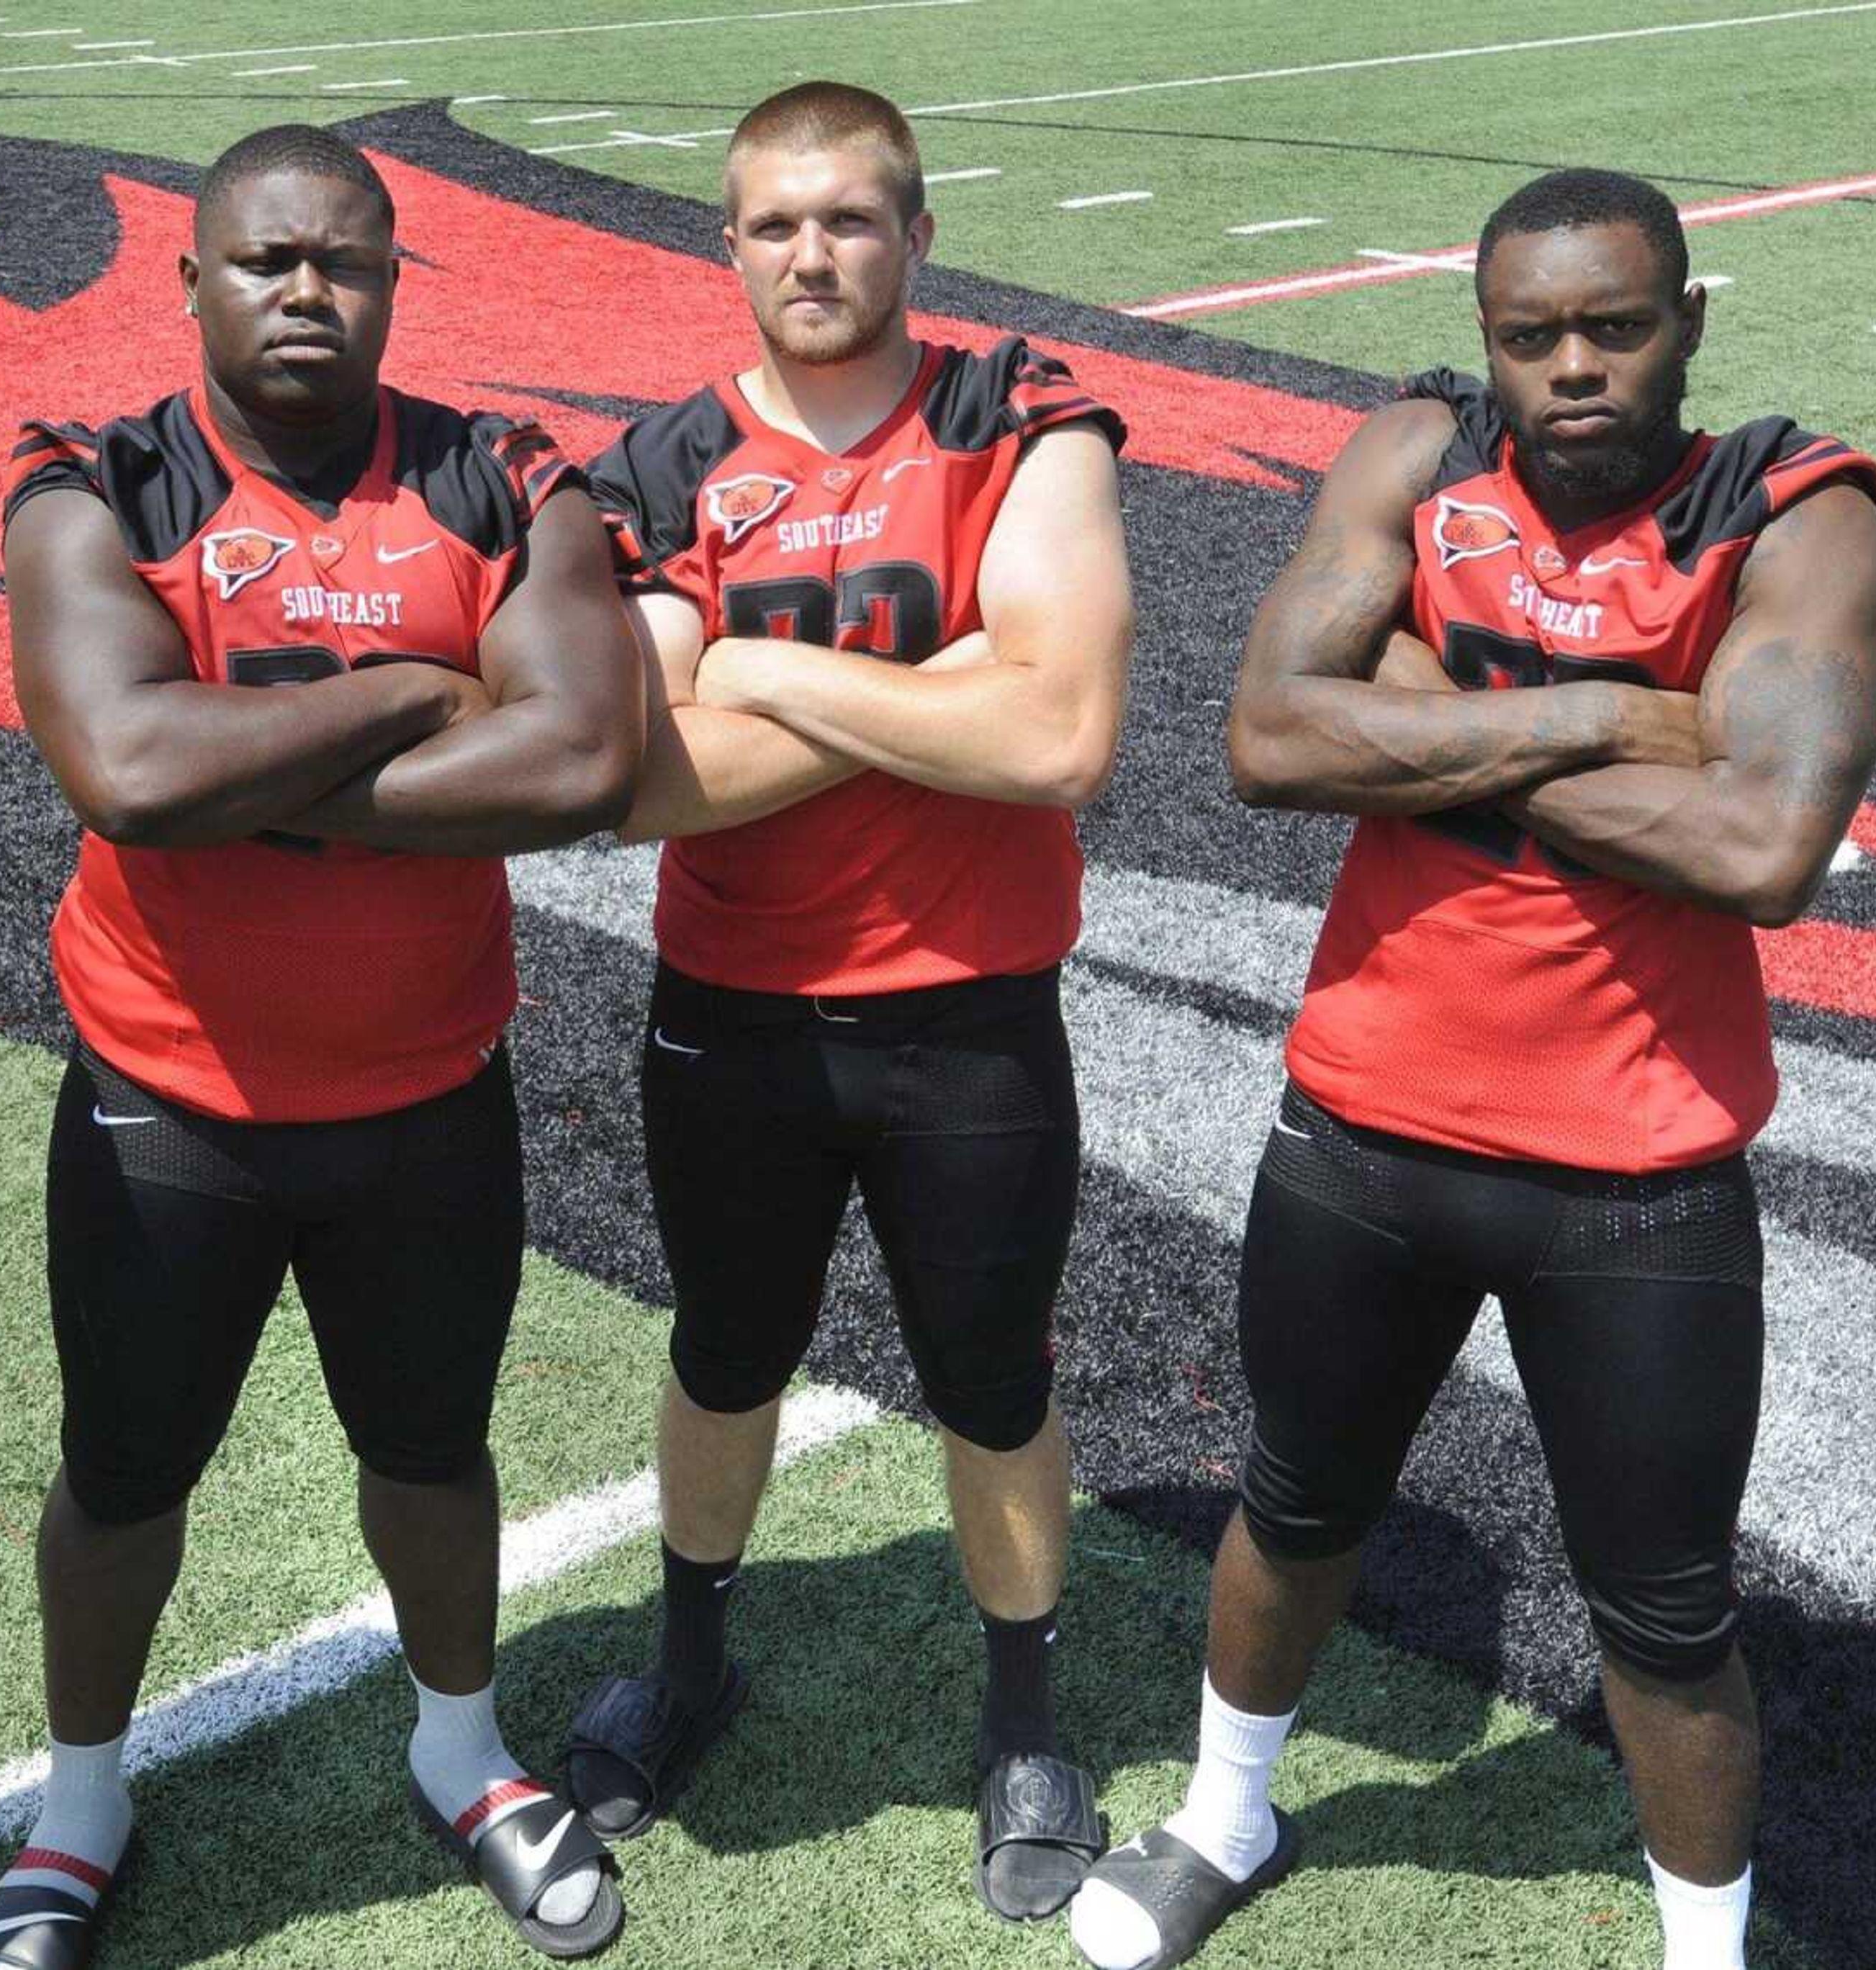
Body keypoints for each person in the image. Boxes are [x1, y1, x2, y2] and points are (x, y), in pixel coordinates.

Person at [1069, 168, 1876, 1970]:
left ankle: (1705, 1951)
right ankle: (1226, 1814)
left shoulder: (1799, 504)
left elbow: (1763, 846)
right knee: (1294, 1504)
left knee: (1668, 1613)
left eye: (1616, 326)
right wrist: (1612, 711)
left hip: (1639, 1175)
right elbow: (1272, 741)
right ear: (1486, 344)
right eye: (1534, 338)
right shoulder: (1419, 456)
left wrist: (1436, 717)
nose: (1576, 367)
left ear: (1690, 319)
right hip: (1364, 1126)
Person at [0, 124, 644, 1967]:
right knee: (123, 1471)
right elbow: (121, 767)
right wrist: (416, 695)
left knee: (432, 1450)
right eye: (265, 260)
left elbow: (584, 755)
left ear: (390, 282)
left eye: (343, 263)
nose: (302, 290)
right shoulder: (94, 479)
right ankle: (82, 1799)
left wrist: (253, 773)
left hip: (428, 1095)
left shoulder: (499, 475)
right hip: (166, 1099)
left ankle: (463, 1750)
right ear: (190, 278)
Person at [560, 81, 1136, 1923]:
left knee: (991, 1379)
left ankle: (1026, 1721)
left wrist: (761, 659)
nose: (814, 253)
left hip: (973, 1016)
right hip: (734, 1011)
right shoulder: (658, 465)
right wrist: (937, 674)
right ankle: (693, 1658)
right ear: (727, 244)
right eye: (774, 224)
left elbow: (1060, 731)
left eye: (851, 219)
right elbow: (646, 779)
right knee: (726, 1348)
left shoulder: (1016, 411)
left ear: (917, 234)